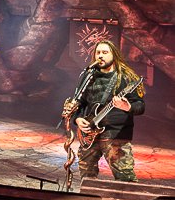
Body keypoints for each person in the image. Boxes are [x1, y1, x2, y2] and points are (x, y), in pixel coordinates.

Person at [62, 39, 144, 181]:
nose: (100, 56)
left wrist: (128, 107)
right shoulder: (89, 76)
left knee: (126, 179)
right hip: (89, 134)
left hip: (115, 134)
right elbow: (79, 102)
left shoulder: (127, 77)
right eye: (98, 52)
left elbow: (140, 105)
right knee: (86, 177)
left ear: (114, 55)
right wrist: (77, 119)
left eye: (105, 52)